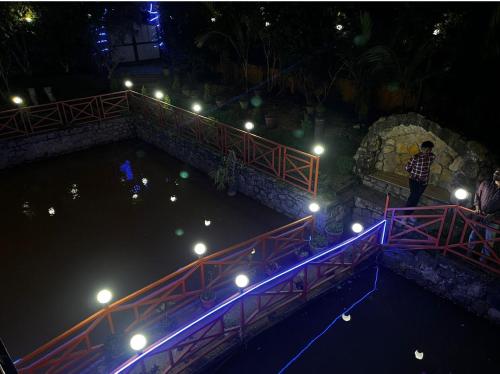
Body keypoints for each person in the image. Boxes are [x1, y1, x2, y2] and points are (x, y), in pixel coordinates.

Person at [467, 168, 500, 260]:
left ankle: (483, 261)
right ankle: (468, 254)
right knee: (473, 235)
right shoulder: (486, 184)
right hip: (480, 215)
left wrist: (494, 215)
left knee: (489, 242)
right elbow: (477, 195)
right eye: (495, 173)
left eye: (498, 174)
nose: (496, 175)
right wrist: (477, 207)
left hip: (494, 221)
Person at [404, 141, 436, 216]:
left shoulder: (432, 156)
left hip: (424, 182)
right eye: (426, 149)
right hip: (414, 181)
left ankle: (409, 214)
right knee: (413, 197)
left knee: (417, 197)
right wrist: (414, 173)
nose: (428, 151)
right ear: (422, 148)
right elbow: (407, 167)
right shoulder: (416, 157)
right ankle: (406, 215)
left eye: (430, 150)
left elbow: (427, 166)